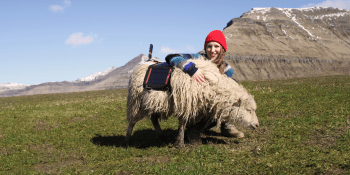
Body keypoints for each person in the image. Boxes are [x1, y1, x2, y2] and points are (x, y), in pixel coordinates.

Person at [165, 30, 244, 138]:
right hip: (195, 104)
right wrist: (191, 69)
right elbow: (172, 57)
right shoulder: (197, 58)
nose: (212, 50)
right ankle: (194, 128)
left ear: (222, 49)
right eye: (209, 46)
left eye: (216, 46)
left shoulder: (226, 69)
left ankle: (226, 126)